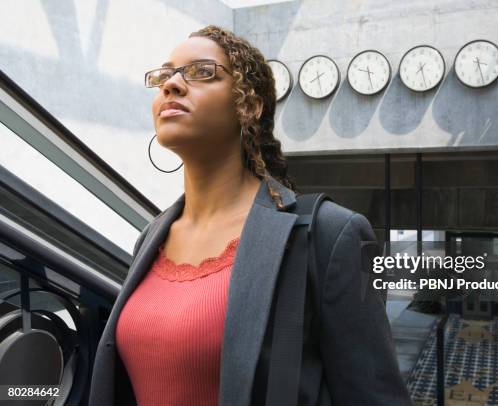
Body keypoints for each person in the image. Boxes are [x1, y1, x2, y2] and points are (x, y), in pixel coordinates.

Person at [88, 25, 411, 406]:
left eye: (201, 72)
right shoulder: (151, 237)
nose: (171, 85)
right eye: (165, 75)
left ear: (250, 106)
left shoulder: (332, 234)